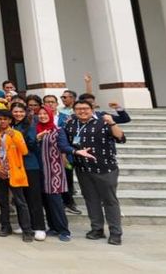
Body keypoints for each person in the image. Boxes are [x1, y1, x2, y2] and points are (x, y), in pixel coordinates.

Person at [64, 99, 126, 245]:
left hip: (105, 168)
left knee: (109, 200)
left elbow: (120, 138)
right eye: (78, 109)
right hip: (83, 168)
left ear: (92, 109)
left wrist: (112, 123)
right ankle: (97, 228)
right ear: (74, 110)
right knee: (91, 199)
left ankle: (115, 232)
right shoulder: (71, 124)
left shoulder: (103, 121)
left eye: (85, 108)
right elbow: (66, 143)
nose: (82, 111)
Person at [0, 108, 34, 242]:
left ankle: (27, 230)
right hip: (1, 172)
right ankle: (5, 226)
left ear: (10, 120)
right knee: (3, 201)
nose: (2, 121)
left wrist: (14, 136)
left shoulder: (16, 133)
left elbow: (24, 151)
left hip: (14, 171)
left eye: (5, 119)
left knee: (20, 202)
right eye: (0, 119)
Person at [35, 105, 75, 242]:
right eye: (39, 114)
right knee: (45, 201)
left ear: (50, 115)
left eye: (45, 114)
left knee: (55, 200)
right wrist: (37, 138)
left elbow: (63, 146)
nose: (42, 116)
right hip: (39, 171)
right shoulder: (36, 130)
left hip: (54, 170)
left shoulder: (58, 130)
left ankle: (64, 230)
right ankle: (52, 227)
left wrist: (75, 151)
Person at [11, 101, 47, 240]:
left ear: (25, 112)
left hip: (29, 165)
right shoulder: (11, 125)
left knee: (34, 197)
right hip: (16, 165)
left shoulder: (30, 126)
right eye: (15, 111)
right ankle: (24, 224)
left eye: (21, 111)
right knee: (20, 197)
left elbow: (31, 145)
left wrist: (36, 139)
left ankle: (39, 227)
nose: (18, 114)